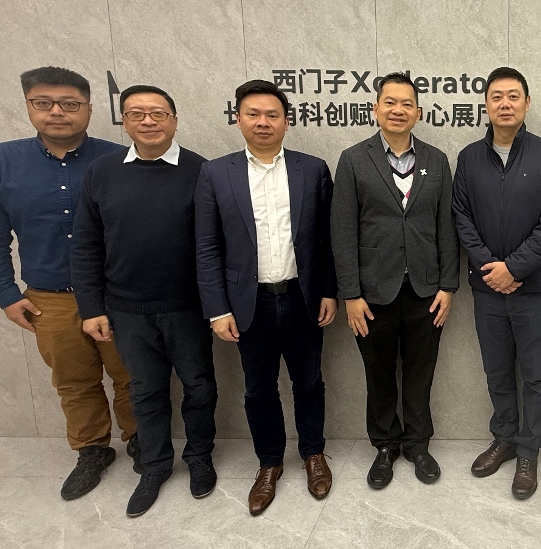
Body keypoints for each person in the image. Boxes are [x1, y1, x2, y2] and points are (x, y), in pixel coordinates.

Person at [0, 66, 138, 500]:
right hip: (50, 298)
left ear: (89, 110)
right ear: (29, 107)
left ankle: (142, 440)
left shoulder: (120, 159)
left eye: (70, 104)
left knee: (133, 374)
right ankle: (92, 450)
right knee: (73, 380)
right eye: (44, 103)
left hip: (117, 293)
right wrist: (6, 294)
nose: (57, 112)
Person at [72, 85, 217, 518]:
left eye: (158, 113)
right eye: (137, 114)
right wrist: (91, 308)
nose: (148, 121)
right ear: (124, 122)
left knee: (199, 385)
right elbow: (86, 244)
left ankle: (199, 457)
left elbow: (216, 244)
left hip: (187, 306)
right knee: (145, 390)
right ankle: (154, 466)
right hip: (126, 309)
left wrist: (218, 305)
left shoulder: (201, 170)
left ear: (174, 120)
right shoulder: (101, 172)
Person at [195, 80, 339, 515]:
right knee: (258, 389)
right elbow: (207, 247)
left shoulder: (312, 169)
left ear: (286, 121)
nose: (263, 122)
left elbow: (328, 239)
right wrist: (217, 309)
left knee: (309, 381)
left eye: (272, 115)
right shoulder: (216, 173)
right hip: (247, 302)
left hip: (301, 297)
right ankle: (269, 462)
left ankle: (313, 453)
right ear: (238, 119)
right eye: (253, 114)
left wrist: (329, 291)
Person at [331, 73, 459, 489]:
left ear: (418, 113)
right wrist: (350, 293)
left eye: (406, 104)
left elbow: (446, 227)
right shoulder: (353, 159)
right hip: (372, 293)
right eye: (390, 102)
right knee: (379, 372)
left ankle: (418, 445)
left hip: (426, 291)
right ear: (375, 109)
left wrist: (448, 286)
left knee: (421, 372)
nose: (398, 110)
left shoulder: (436, 160)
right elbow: (342, 231)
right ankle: (385, 445)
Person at [453, 67, 541, 499]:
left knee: (536, 377)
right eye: (497, 96)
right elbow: (461, 216)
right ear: (486, 105)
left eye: (513, 96)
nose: (505, 104)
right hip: (488, 290)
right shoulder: (469, 158)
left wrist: (515, 269)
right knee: (497, 371)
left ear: (526, 103)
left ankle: (528, 451)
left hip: (536, 290)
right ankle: (503, 438)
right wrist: (492, 268)